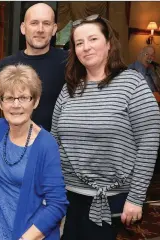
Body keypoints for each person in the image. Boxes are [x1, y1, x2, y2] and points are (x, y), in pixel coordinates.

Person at [51, 15, 160, 240]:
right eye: (79, 43)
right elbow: (55, 140)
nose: (86, 47)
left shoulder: (133, 84)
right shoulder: (69, 89)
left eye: (92, 39)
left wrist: (136, 197)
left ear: (109, 43)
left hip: (113, 199)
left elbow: (148, 143)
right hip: (69, 196)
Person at [0, 64, 68, 240]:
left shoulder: (46, 144)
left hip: (28, 235)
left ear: (35, 101)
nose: (16, 105)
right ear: (0, 102)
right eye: (9, 98)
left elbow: (57, 204)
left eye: (23, 98)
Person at [0, 3, 67, 132]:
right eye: (34, 23)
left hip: (54, 147)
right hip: (13, 145)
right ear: (23, 28)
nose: (40, 29)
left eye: (46, 23)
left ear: (54, 29)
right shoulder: (5, 66)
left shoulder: (69, 63)